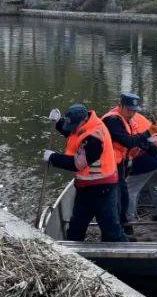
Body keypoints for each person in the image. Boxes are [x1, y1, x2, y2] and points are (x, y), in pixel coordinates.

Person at [43, 104, 128, 243]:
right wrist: (58, 122)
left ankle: (125, 256)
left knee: (111, 229)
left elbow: (78, 164)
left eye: (74, 126)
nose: (72, 129)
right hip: (85, 188)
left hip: (103, 189)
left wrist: (53, 158)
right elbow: (70, 131)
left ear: (83, 121)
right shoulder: (83, 124)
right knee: (76, 227)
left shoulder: (95, 137)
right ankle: (71, 254)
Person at [102, 93, 157, 227]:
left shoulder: (129, 119)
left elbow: (139, 142)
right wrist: (152, 137)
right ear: (120, 105)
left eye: (134, 110)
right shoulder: (114, 120)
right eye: (129, 110)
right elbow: (130, 142)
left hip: (152, 160)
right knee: (154, 185)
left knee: (130, 190)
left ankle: (129, 219)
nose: (132, 113)